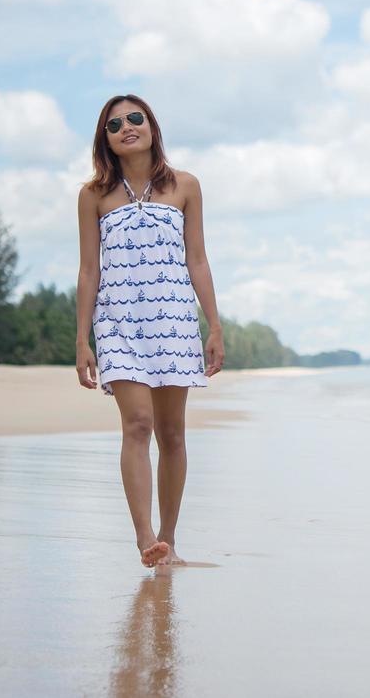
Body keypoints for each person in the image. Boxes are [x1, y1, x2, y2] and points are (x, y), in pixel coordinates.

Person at [75, 94, 224, 569]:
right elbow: (88, 271)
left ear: (153, 127)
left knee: (172, 433)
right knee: (137, 425)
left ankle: (169, 539)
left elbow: (197, 259)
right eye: (115, 124)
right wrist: (83, 339)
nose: (127, 127)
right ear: (107, 140)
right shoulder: (94, 195)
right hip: (118, 324)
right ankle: (145, 541)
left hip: (174, 320)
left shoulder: (186, 187)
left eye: (135, 118)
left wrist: (214, 324)